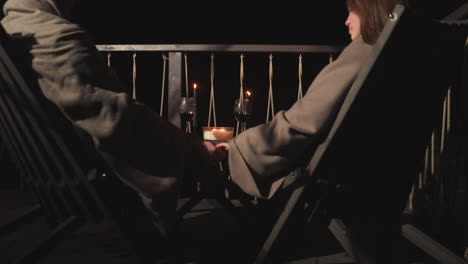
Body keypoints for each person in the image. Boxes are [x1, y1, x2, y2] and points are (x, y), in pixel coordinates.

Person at [1, 0, 226, 237]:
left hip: (49, 169)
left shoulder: (16, 28)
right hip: (95, 179)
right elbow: (117, 117)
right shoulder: (59, 39)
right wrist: (192, 146)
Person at [217, 0, 404, 199]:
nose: (346, 21)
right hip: (371, 175)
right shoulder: (394, 59)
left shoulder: (362, 54)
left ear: (370, 10)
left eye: (352, 12)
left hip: (332, 178)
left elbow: (304, 122)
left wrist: (241, 146)